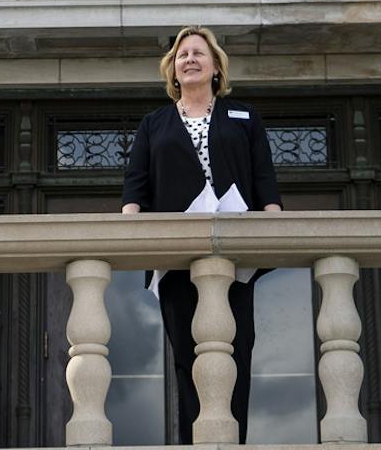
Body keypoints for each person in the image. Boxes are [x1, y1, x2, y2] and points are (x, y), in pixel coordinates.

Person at [120, 26, 282, 443]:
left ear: (215, 68)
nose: (189, 59)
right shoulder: (153, 123)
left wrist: (274, 222)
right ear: (173, 71)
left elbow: (264, 177)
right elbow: (136, 184)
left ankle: (233, 439)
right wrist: (131, 222)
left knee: (236, 349)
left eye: (198, 53)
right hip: (176, 256)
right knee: (186, 356)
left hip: (234, 254)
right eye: (181, 55)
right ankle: (197, 441)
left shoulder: (243, 117)